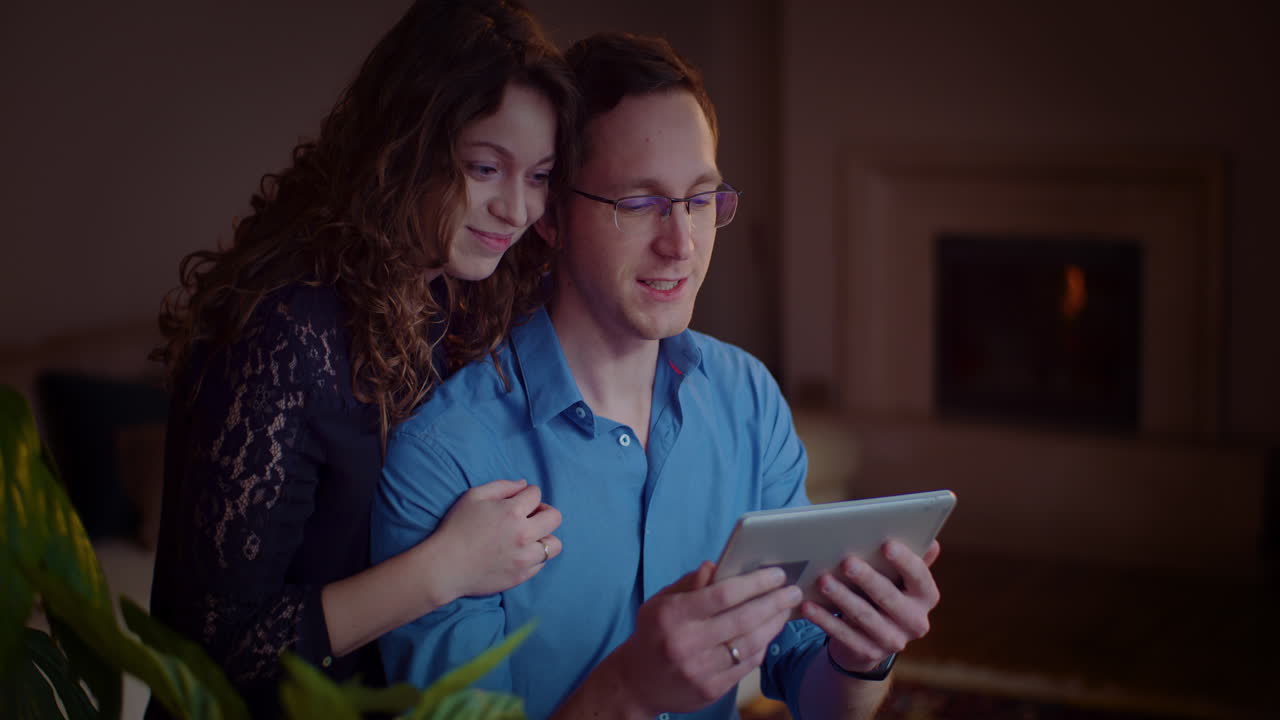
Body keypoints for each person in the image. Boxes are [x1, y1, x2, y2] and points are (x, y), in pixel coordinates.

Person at [372, 31, 942, 720]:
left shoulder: (748, 398)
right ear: (551, 215)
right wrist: (629, 691)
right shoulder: (445, 455)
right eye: (639, 204)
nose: (681, 244)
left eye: (700, 200)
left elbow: (819, 695)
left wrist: (862, 656)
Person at [147, 1, 574, 716]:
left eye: (539, 176)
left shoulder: (459, 293)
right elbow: (211, 644)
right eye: (484, 167)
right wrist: (446, 568)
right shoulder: (283, 327)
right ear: (406, 145)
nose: (517, 209)